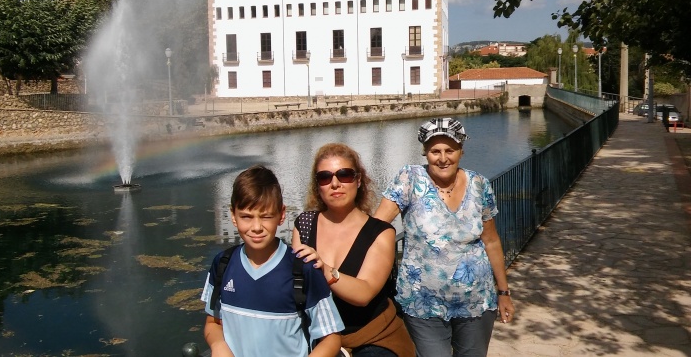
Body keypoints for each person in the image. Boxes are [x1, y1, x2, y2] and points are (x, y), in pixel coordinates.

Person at [374, 117, 515, 357]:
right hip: (422, 303)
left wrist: (503, 292)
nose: (442, 158)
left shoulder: (479, 184)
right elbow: (376, 227)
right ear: (425, 152)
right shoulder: (410, 179)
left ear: (461, 150)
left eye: (449, 150)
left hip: (476, 301)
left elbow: (491, 241)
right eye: (434, 151)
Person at [201, 165, 344, 357]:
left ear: (281, 214)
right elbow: (213, 322)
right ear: (233, 216)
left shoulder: (303, 269)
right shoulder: (222, 264)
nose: (257, 227)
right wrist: (218, 345)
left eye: (266, 216)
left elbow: (332, 337)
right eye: (246, 217)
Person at [293, 143, 416, 357]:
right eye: (325, 177)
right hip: (319, 337)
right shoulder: (304, 224)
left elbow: (364, 294)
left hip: (373, 337)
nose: (335, 183)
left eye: (344, 175)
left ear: (358, 180)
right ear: (317, 186)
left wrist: (324, 270)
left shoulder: (380, 232)